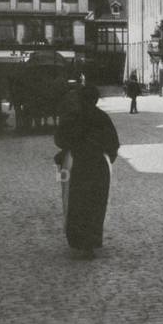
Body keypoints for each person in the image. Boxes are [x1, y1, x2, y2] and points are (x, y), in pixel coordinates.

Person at [54, 77, 119, 258]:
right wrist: (106, 157)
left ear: (80, 99)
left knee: (75, 202)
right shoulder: (102, 117)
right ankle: (90, 243)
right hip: (99, 167)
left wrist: (69, 149)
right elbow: (113, 144)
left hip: (76, 165)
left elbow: (59, 139)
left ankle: (78, 241)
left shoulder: (73, 117)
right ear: (96, 100)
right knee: (96, 204)